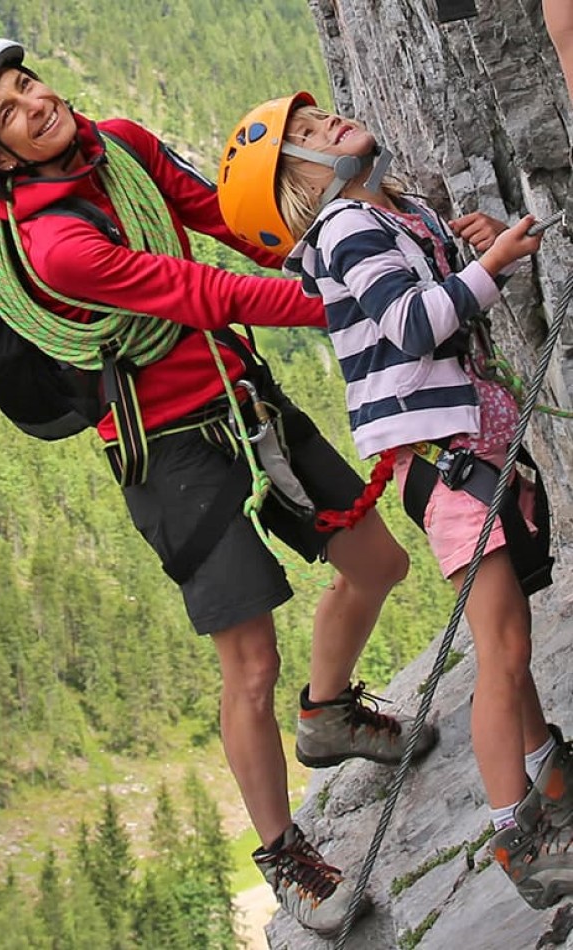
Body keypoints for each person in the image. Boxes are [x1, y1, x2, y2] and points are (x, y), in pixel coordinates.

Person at [0, 40, 438, 937]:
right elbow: (196, 290)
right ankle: (287, 855)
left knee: (377, 561)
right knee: (249, 663)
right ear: (0, 157)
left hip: (237, 396)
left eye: (26, 83)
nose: (36, 104)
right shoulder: (56, 244)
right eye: (10, 111)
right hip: (165, 452)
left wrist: (339, 249)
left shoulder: (119, 144)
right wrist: (345, 303)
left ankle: (328, 715)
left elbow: (221, 218)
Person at [217, 91, 573, 910]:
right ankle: (519, 834)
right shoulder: (345, 228)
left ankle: (548, 773)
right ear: (303, 191)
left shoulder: (397, 209)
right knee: (502, 647)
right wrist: (488, 269)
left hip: (462, 446)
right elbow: (413, 326)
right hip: (443, 460)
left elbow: (428, 298)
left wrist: (471, 249)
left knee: (508, 633)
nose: (326, 127)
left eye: (316, 121)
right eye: (304, 139)